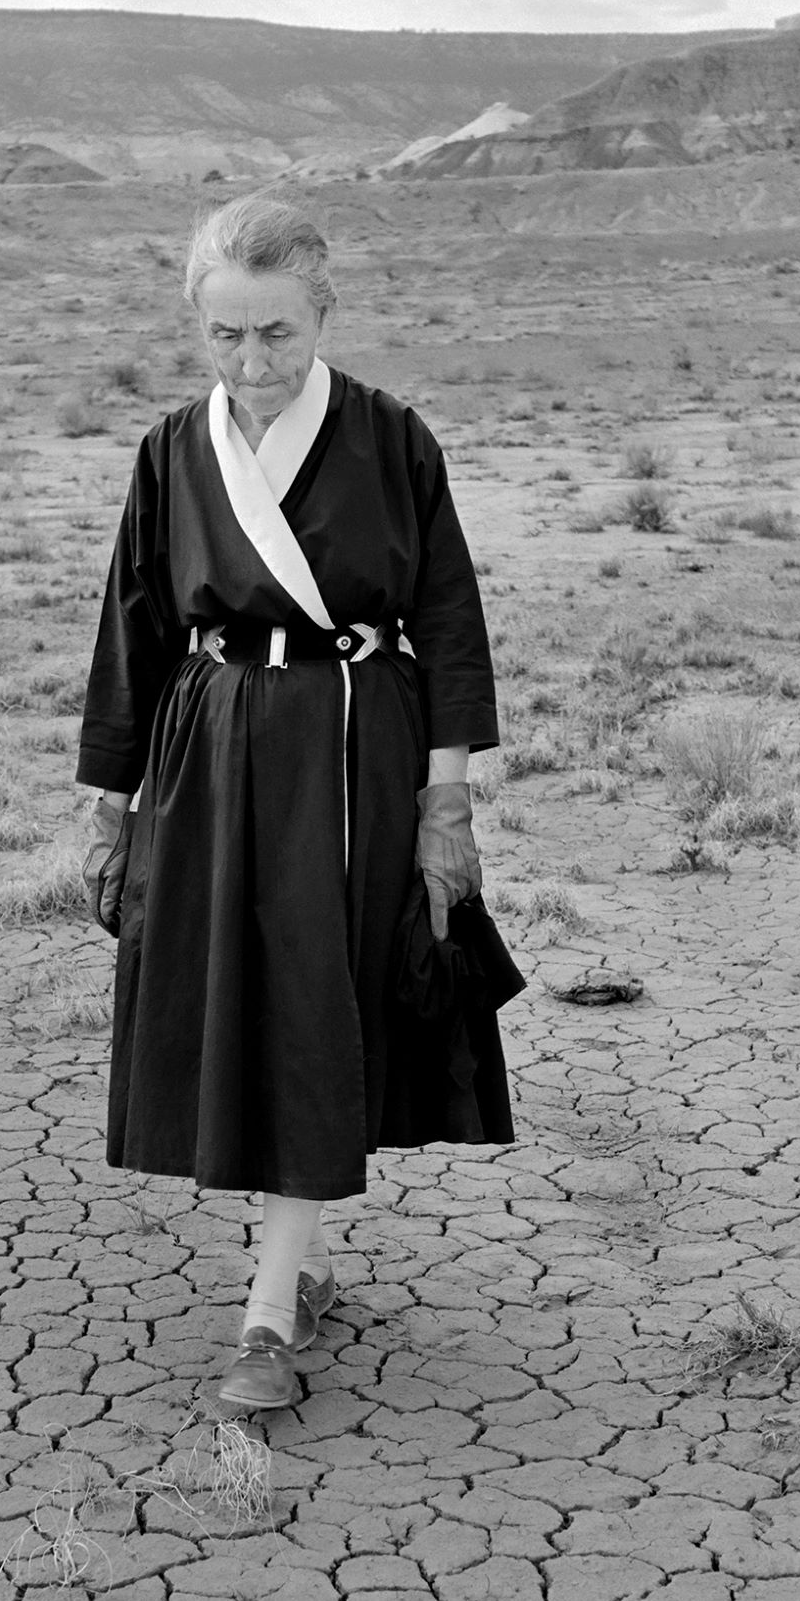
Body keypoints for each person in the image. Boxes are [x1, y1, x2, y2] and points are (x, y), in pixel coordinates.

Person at [78, 193, 505, 1413]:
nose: (254, 363)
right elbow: (134, 631)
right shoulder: (171, 451)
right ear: (196, 331)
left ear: (324, 313)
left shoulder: (391, 438)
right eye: (227, 338)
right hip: (210, 750)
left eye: (278, 333)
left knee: (322, 1002)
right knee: (246, 1008)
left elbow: (452, 626)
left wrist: (447, 806)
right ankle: (295, 1262)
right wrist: (106, 803)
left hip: (356, 749)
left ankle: (267, 1317)